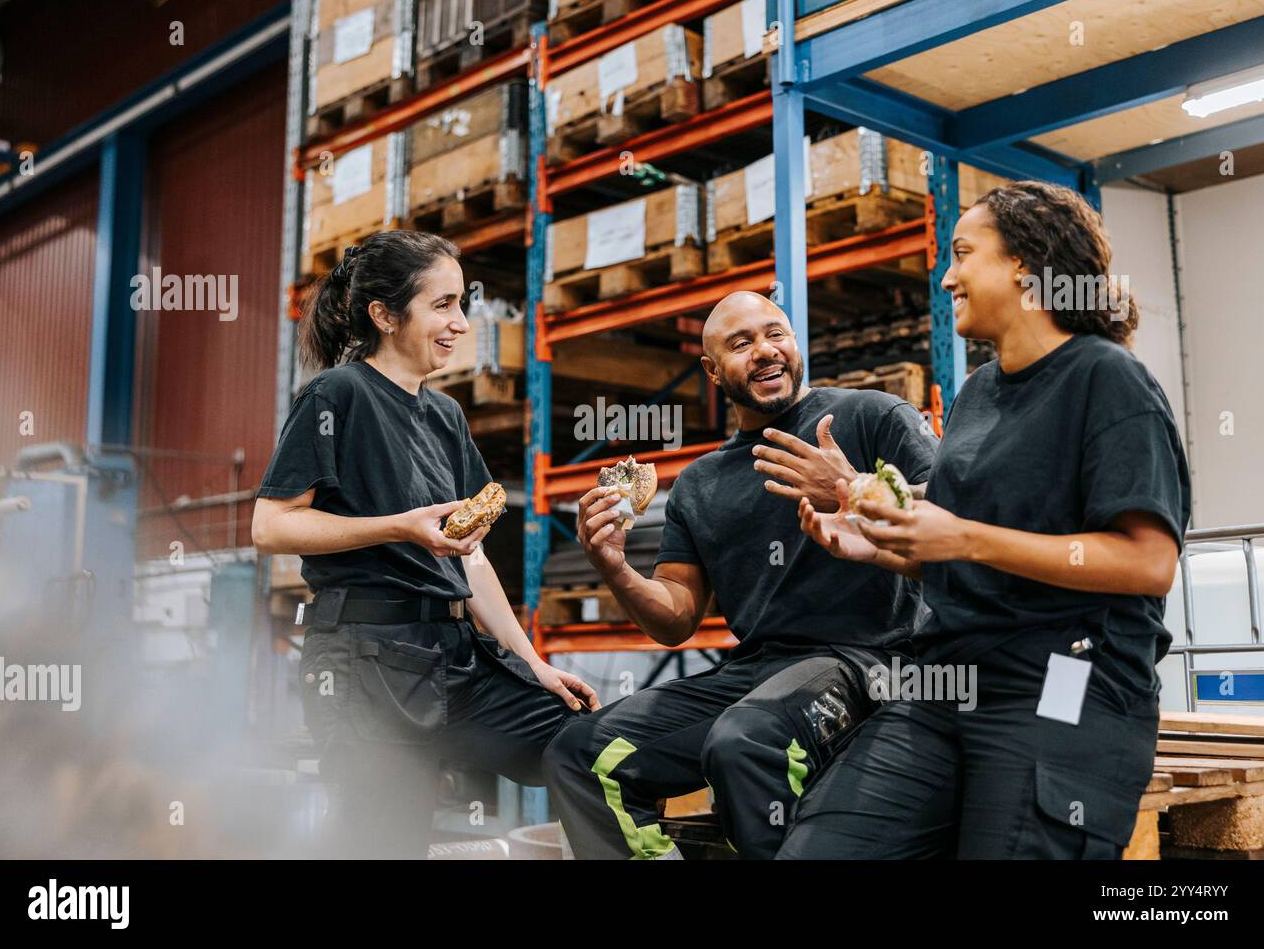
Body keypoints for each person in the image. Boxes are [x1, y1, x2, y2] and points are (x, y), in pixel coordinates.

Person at [780, 181, 1191, 859]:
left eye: (963, 254)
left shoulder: (1106, 380)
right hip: (950, 678)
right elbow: (961, 550)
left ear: (1025, 267)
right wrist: (879, 544)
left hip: (1066, 682)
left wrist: (963, 535)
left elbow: (1149, 563)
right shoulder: (977, 393)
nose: (947, 277)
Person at [542, 290, 936, 858]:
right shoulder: (701, 484)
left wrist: (855, 491)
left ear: (795, 343)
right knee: (579, 753)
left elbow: (957, 518)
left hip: (872, 658)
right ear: (711, 370)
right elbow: (677, 618)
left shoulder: (871, 416)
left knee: (745, 742)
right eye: (741, 343)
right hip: (761, 671)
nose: (764, 351)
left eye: (775, 334)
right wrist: (613, 566)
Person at [252, 230, 600, 859]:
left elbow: (472, 554)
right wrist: (395, 526)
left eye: (460, 303)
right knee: (386, 845)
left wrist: (532, 664)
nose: (461, 324)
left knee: (588, 747)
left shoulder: (444, 416)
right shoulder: (337, 396)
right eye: (442, 305)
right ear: (384, 316)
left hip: (457, 657)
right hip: (366, 664)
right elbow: (271, 525)